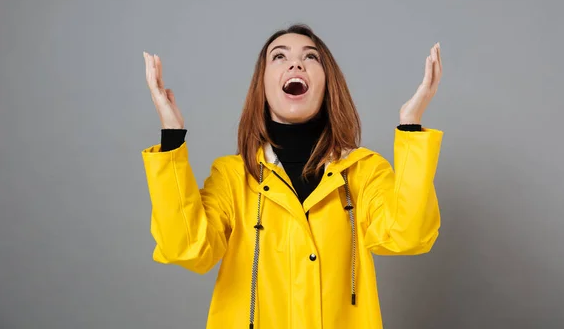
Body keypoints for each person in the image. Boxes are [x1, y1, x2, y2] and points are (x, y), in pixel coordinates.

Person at [141, 24, 444, 329]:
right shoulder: (232, 177)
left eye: (310, 57)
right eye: (279, 57)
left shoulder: (362, 171)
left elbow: (408, 236)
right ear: (262, 84)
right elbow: (187, 247)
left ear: (327, 83)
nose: (296, 63)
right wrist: (171, 137)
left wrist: (410, 125)